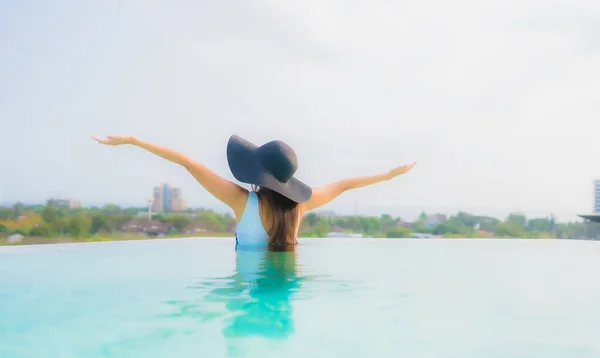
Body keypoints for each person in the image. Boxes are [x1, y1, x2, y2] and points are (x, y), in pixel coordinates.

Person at [92, 134, 416, 251]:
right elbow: (345, 185)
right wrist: (388, 176)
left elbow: (188, 164)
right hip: (287, 292)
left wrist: (134, 141)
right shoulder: (299, 208)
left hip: (246, 292)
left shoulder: (240, 200)